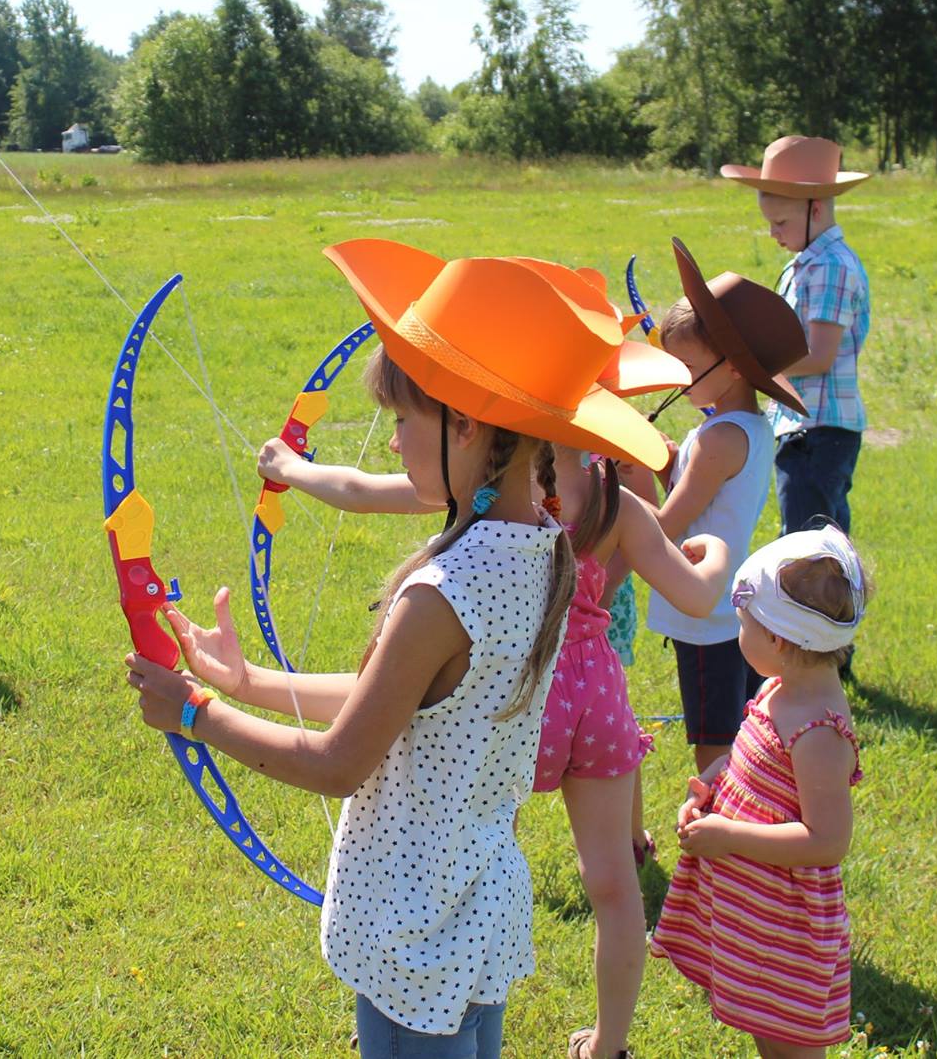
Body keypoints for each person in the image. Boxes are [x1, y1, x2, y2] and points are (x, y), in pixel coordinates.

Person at [126, 240, 675, 1058]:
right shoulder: (545, 550)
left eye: (402, 421)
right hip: (475, 908)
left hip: (413, 933)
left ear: (466, 424)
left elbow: (339, 761)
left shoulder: (443, 594)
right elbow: (406, 703)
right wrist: (248, 679)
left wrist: (195, 712)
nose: (390, 445)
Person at [257, 259, 732, 1059]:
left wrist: (292, 470)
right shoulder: (589, 511)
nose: (399, 435)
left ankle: (459, 986)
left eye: (406, 420)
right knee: (611, 882)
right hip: (586, 711)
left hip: (511, 712)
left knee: (472, 836)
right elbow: (695, 589)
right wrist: (713, 551)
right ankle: (610, 1042)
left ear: (485, 418)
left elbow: (364, 490)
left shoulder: (479, 527)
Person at [650, 527, 869, 1059]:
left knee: (788, 1044)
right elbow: (746, 751)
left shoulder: (818, 732)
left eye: (744, 624)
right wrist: (712, 785)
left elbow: (827, 841)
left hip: (788, 924)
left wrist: (728, 835)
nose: (737, 633)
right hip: (755, 906)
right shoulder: (779, 688)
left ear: (779, 641)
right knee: (763, 1025)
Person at [644, 238, 810, 776]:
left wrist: (623, 495)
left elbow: (666, 524)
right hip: (731, 607)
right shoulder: (747, 428)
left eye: (687, 365)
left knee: (713, 744)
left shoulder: (717, 439)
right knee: (742, 730)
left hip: (704, 614)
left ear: (733, 367)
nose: (679, 377)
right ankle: (752, 803)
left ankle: (722, 815)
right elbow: (708, 500)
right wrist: (669, 466)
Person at [720, 136, 871, 542]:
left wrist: (752, 364)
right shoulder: (805, 265)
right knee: (814, 543)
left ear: (815, 209)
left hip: (818, 431)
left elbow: (819, 355)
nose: (773, 233)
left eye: (781, 223)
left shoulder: (830, 268)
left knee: (807, 549)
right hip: (804, 427)